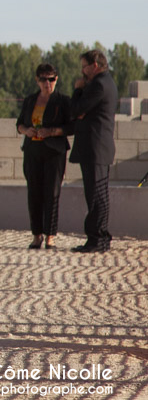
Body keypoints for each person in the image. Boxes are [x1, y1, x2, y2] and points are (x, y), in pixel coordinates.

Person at [49, 50, 118, 253]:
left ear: (95, 65)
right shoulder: (108, 82)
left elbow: (75, 110)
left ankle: (96, 239)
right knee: (100, 195)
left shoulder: (97, 85)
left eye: (84, 67)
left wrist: (78, 90)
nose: (82, 72)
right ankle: (101, 238)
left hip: (94, 148)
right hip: (99, 148)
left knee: (95, 196)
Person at [15, 63, 72, 250]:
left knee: (52, 193)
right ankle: (36, 235)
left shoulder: (63, 101)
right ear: (37, 81)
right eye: (43, 79)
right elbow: (19, 124)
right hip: (33, 151)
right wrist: (27, 131)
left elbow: (70, 127)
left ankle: (50, 236)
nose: (48, 83)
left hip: (54, 152)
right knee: (34, 193)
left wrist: (52, 131)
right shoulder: (31, 100)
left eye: (51, 79)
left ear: (56, 79)